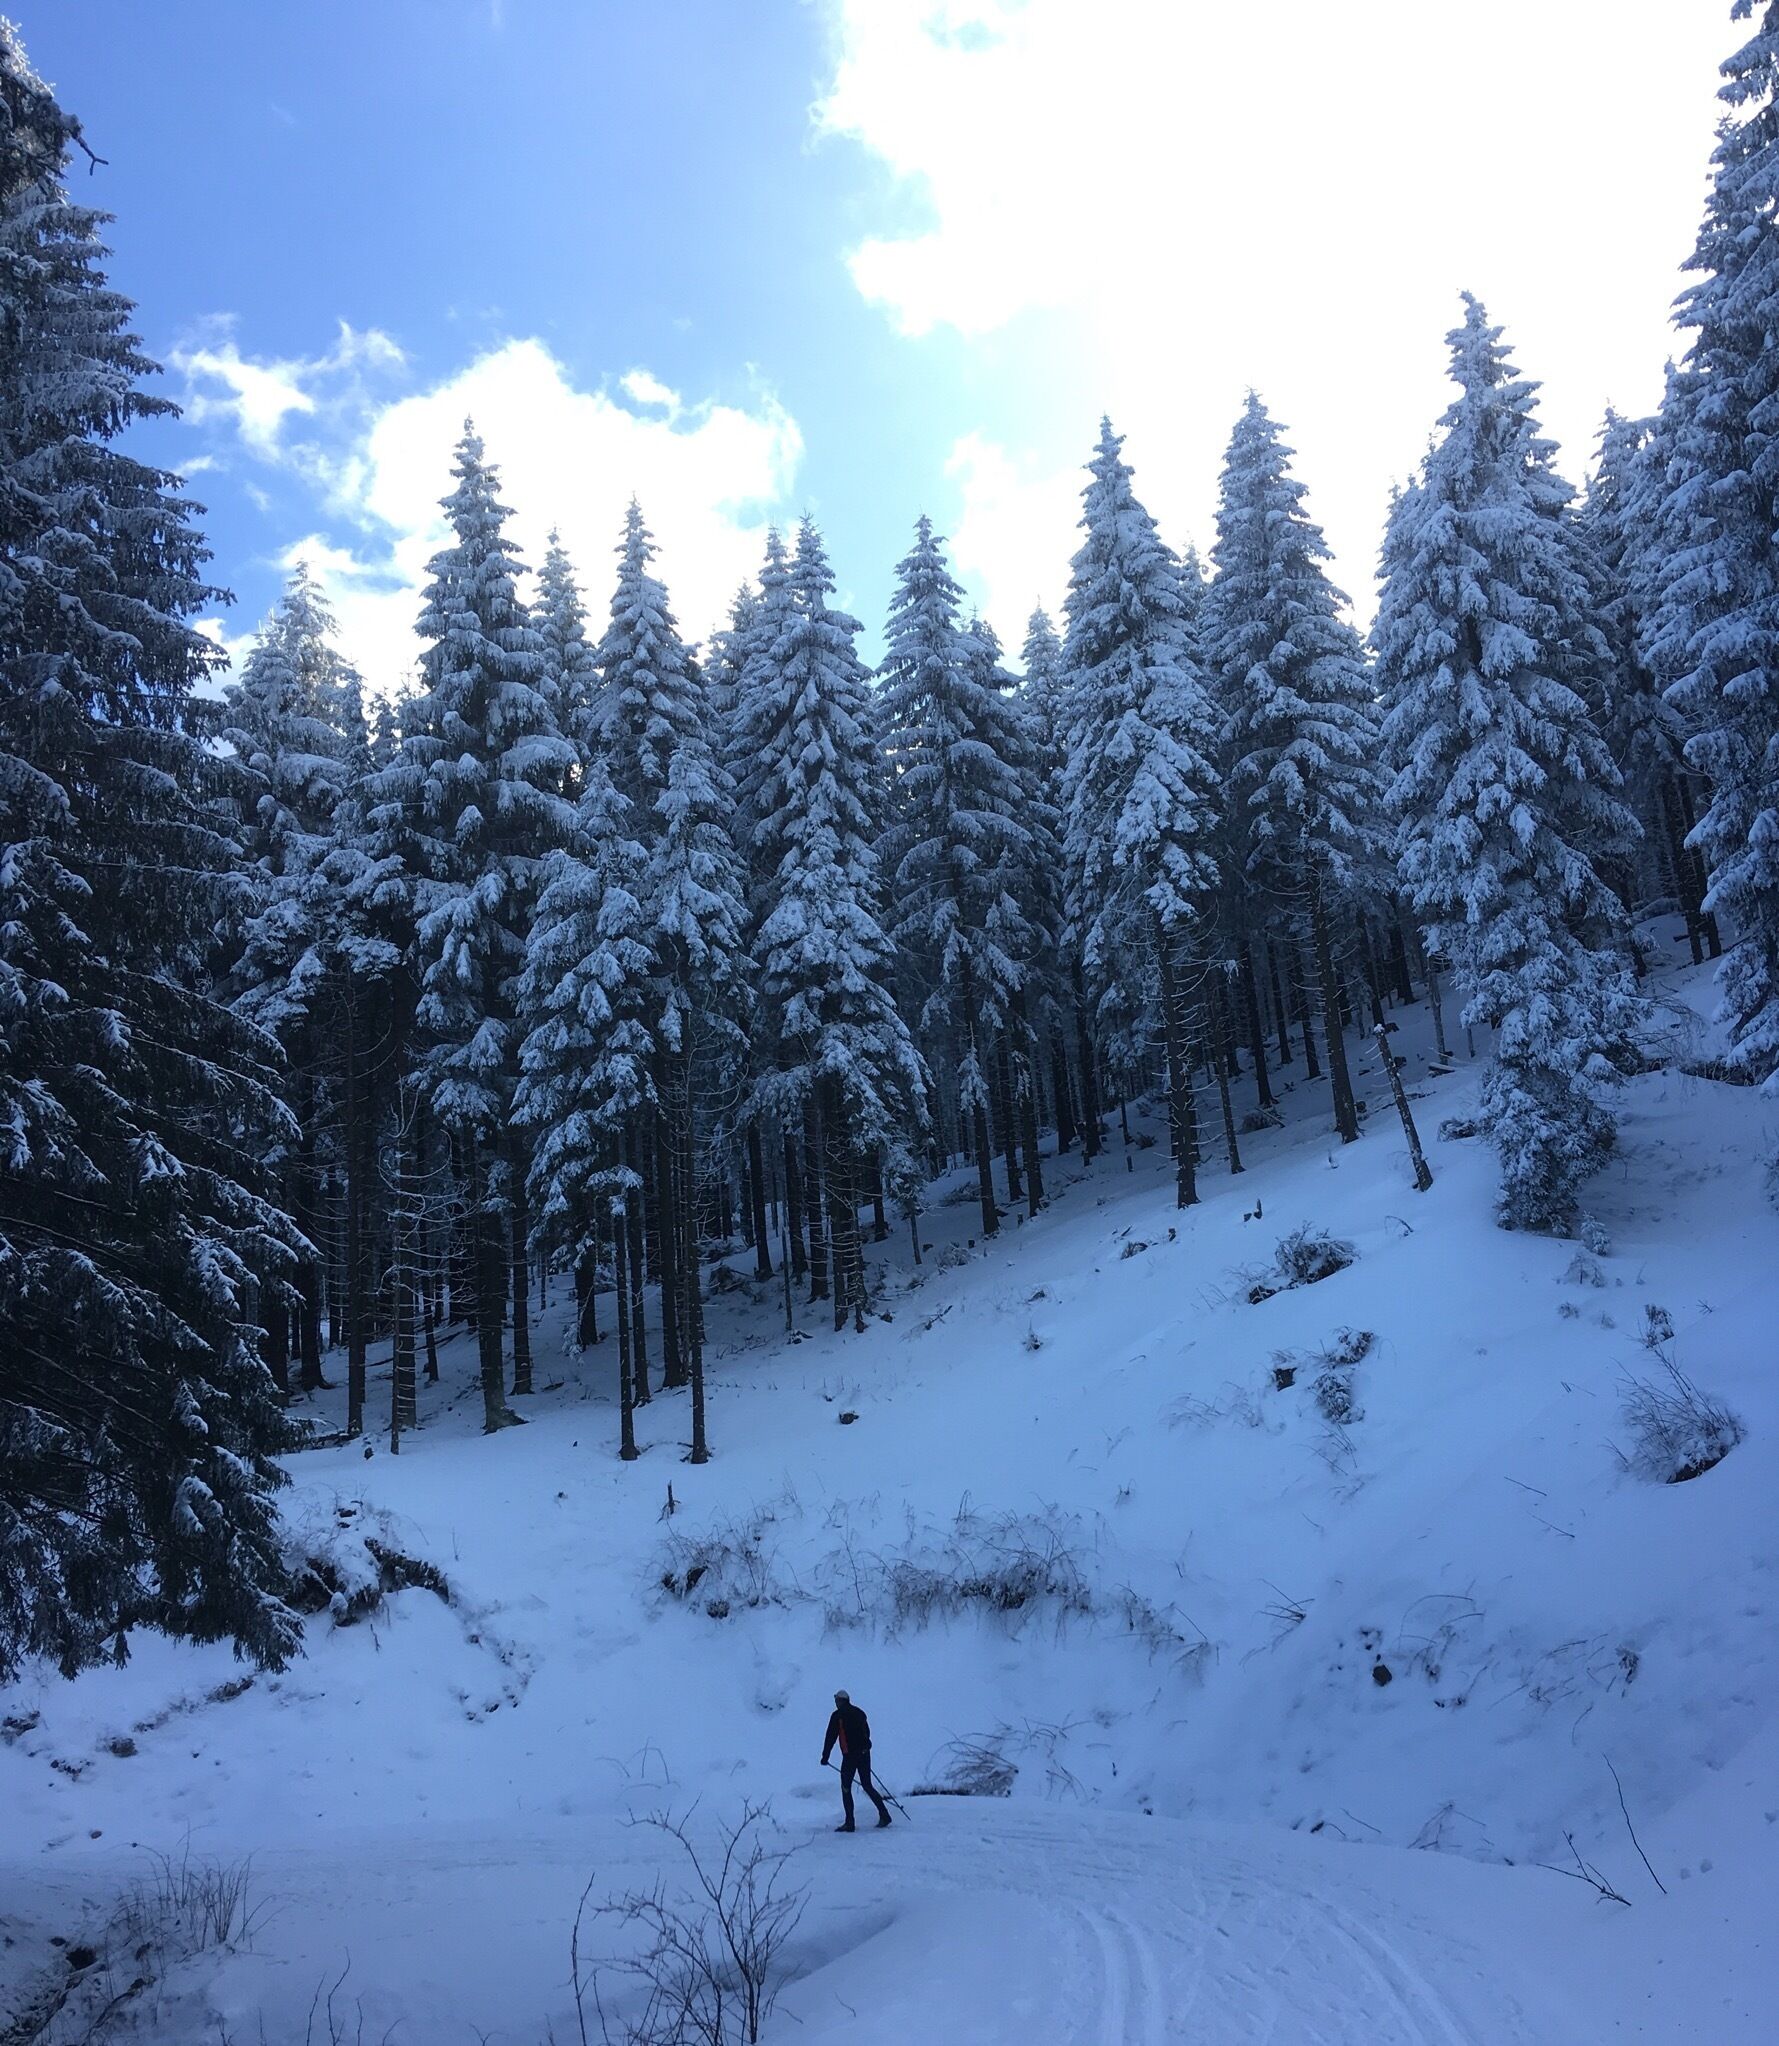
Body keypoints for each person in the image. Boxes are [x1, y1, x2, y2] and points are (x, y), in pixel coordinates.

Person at [820, 1688, 892, 1831]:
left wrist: (825, 1756)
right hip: (864, 1754)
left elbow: (831, 1737)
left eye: (836, 1700)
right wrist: (865, 1747)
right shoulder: (859, 1712)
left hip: (850, 1757)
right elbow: (867, 1733)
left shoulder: (837, 1716)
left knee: (846, 1788)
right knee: (867, 1785)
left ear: (841, 1701)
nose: (835, 1703)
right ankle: (884, 1814)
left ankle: (850, 1823)